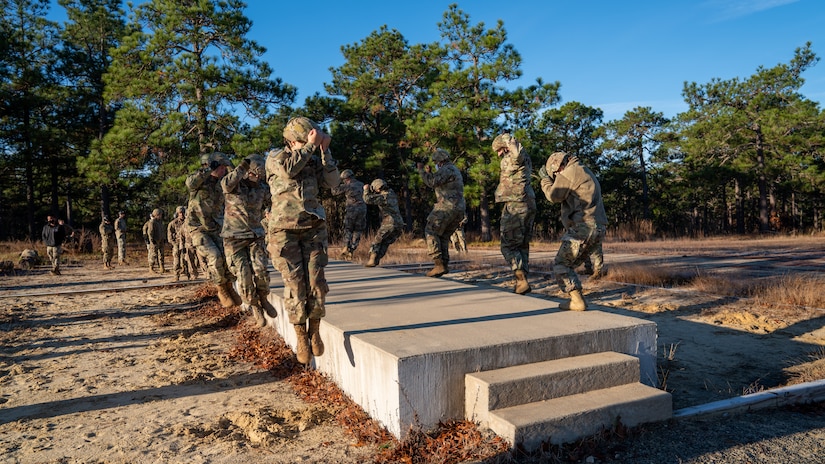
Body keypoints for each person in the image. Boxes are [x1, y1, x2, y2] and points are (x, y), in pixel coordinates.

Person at [265, 116, 338, 365]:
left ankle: (314, 330)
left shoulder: (312, 158)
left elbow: (333, 182)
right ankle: (300, 336)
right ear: (292, 139)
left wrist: (326, 153)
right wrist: (309, 148)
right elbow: (288, 171)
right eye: (306, 138)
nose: (310, 142)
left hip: (313, 227)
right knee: (296, 286)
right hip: (284, 231)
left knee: (317, 282)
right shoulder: (276, 157)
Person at [539, 151, 608, 311]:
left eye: (555, 173)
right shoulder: (584, 170)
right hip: (597, 227)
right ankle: (577, 297)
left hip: (583, 227)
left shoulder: (570, 172)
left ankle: (577, 300)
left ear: (558, 166)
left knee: (561, 264)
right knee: (570, 263)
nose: (556, 176)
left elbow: (553, 195)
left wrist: (545, 180)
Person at [221, 153, 276, 327]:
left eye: (260, 174)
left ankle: (264, 298)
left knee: (261, 271)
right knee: (244, 276)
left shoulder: (262, 187)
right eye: (255, 173)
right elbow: (225, 184)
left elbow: (274, 199)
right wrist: (242, 166)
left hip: (255, 236)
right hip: (234, 238)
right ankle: (255, 307)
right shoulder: (235, 184)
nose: (258, 177)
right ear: (249, 171)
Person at [187, 151, 242, 307]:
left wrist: (231, 166)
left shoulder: (222, 182)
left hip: (217, 227)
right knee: (215, 256)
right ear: (213, 166)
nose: (224, 170)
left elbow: (236, 181)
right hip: (198, 228)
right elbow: (190, 183)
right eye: (222, 167)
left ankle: (229, 287)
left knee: (226, 258)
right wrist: (209, 168)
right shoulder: (199, 182)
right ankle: (221, 289)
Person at [491, 133, 537, 295]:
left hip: (516, 203)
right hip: (527, 202)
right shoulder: (524, 157)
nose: (498, 154)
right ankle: (522, 280)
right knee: (522, 244)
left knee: (508, 245)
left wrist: (509, 142)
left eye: (499, 150)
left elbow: (516, 155)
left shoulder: (515, 154)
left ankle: (521, 279)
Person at [416, 148, 465, 277]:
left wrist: (421, 171)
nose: (436, 164)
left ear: (440, 161)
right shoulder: (453, 169)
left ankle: (438, 264)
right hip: (459, 208)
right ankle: (444, 265)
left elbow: (432, 182)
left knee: (430, 231)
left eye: (436, 162)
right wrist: (430, 173)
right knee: (442, 236)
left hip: (447, 207)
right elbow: (439, 181)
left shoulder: (446, 169)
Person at [362, 178, 404, 268]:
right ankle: (377, 260)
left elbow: (367, 200)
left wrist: (366, 190)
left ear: (378, 189)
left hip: (390, 222)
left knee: (377, 240)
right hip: (399, 223)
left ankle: (372, 259)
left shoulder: (383, 197)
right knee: (385, 242)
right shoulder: (391, 193)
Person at [331, 169, 367, 260]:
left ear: (346, 178)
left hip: (352, 209)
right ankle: (352, 248)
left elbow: (334, 192)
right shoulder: (361, 184)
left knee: (348, 229)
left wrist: (333, 183)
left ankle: (346, 247)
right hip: (362, 209)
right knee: (358, 230)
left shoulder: (347, 186)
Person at [167, 206, 191, 281]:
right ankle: (176, 276)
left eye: (183, 213)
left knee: (187, 259)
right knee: (176, 260)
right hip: (177, 243)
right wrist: (174, 244)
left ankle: (188, 275)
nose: (182, 214)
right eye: (180, 213)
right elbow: (169, 236)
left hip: (186, 243)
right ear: (177, 213)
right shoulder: (173, 223)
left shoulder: (188, 222)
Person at [146, 208, 166, 274]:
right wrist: (152, 240)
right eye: (159, 215)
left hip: (160, 240)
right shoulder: (152, 222)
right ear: (156, 214)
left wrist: (163, 238)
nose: (160, 216)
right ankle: (151, 268)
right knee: (153, 254)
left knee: (161, 254)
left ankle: (161, 267)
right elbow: (150, 232)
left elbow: (162, 231)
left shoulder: (160, 222)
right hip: (155, 241)